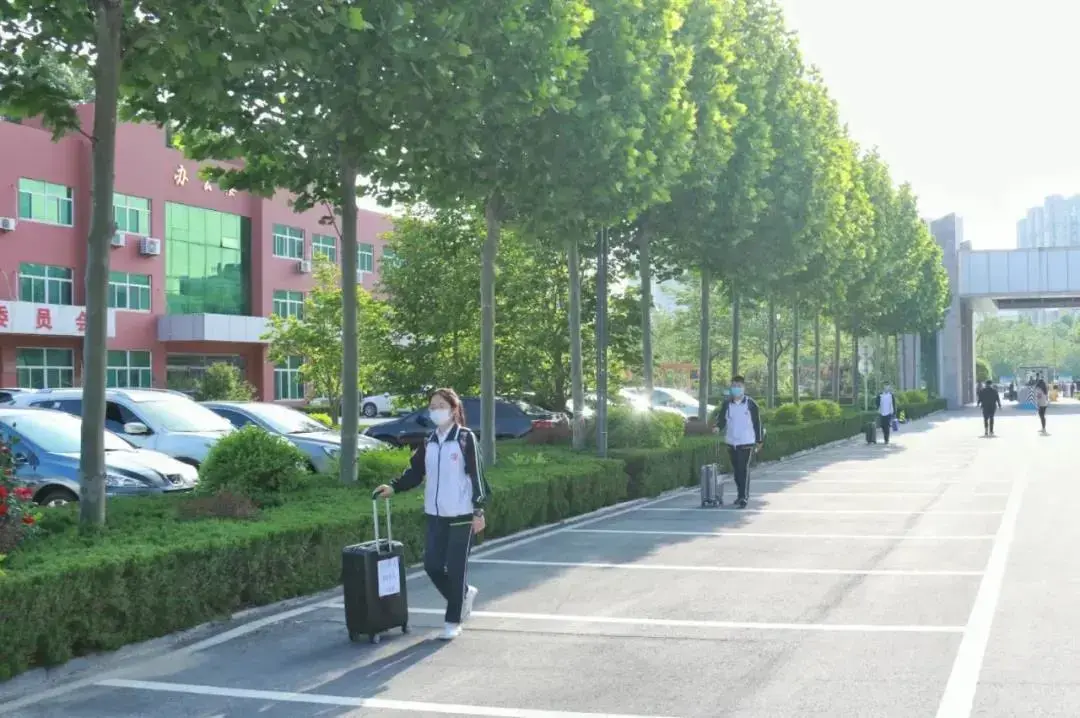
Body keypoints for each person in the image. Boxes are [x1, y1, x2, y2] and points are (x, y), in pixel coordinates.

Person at [374, 388, 491, 640]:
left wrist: (478, 510)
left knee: (456, 569)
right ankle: (463, 595)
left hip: (462, 513)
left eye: (441, 406)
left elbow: (477, 476)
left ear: (453, 409)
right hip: (435, 514)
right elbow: (415, 473)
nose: (436, 410)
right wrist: (393, 487)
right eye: (433, 406)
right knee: (432, 565)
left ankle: (452, 621)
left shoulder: (465, 438)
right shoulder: (429, 441)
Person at [714, 376, 764, 509]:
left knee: (743, 468)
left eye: (739, 386)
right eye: (734, 386)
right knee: (736, 471)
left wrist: (759, 440)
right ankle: (739, 495)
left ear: (743, 387)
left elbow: (757, 423)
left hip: (746, 441)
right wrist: (717, 427)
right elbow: (721, 420)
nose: (736, 388)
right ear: (731, 388)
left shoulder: (751, 404)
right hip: (731, 441)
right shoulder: (727, 404)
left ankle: (743, 497)